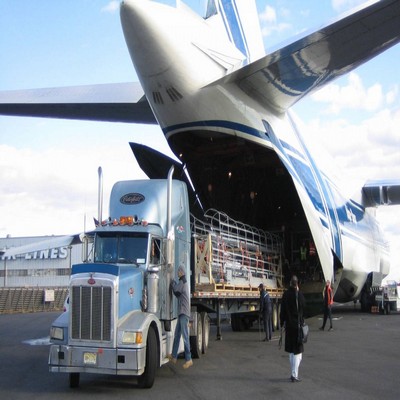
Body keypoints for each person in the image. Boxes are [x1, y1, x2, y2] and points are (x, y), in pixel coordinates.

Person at [280, 275, 306, 382]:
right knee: (298, 352)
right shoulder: (298, 294)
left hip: (289, 326)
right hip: (297, 326)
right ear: (297, 284)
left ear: (290, 283)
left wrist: (282, 323)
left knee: (291, 351)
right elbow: (304, 306)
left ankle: (292, 372)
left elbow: (282, 310)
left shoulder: (285, 294)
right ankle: (294, 375)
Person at [167, 266, 193, 369]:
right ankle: (174, 357)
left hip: (184, 313)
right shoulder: (183, 282)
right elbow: (177, 294)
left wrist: (172, 282)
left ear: (181, 272)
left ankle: (189, 359)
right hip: (182, 312)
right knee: (177, 335)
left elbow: (176, 289)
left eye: (178, 272)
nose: (178, 273)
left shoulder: (182, 281)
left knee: (185, 337)